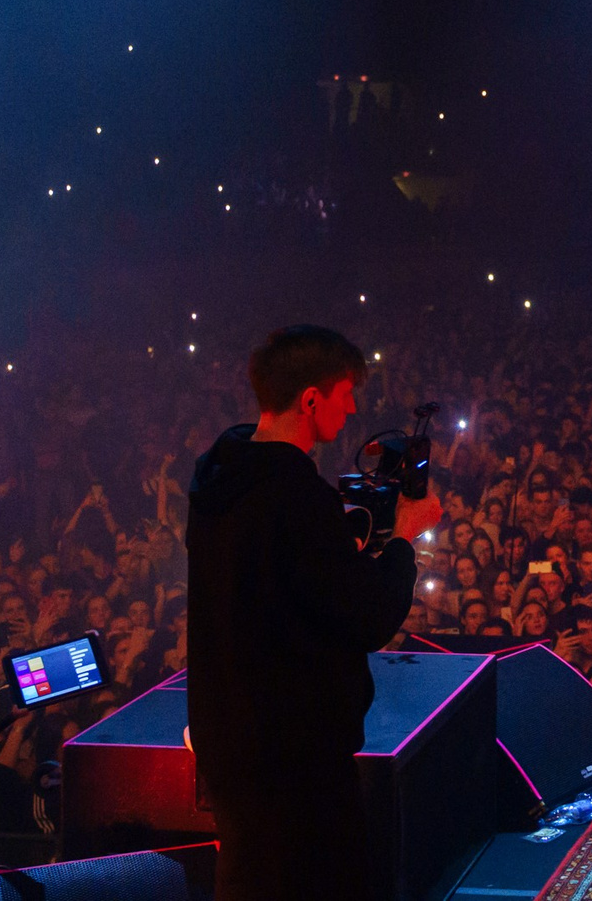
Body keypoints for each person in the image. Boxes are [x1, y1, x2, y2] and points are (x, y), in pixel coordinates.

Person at [186, 326, 443, 901]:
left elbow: (272, 591)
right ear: (309, 399)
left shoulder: (218, 479)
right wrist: (405, 536)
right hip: (294, 755)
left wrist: (338, 552)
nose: (351, 409)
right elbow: (368, 615)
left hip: (229, 739)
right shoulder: (295, 495)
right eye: (345, 393)